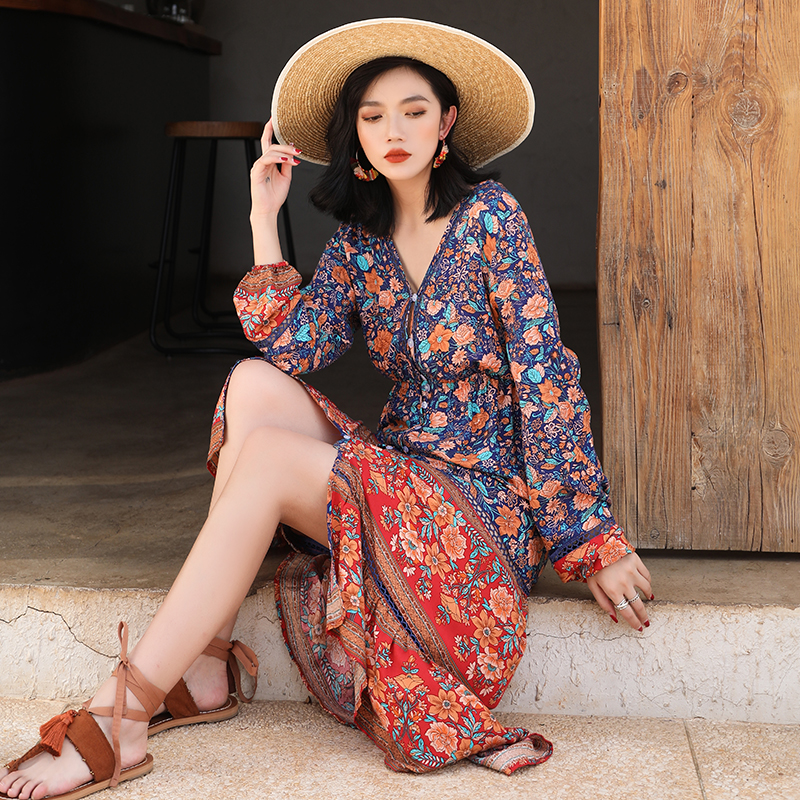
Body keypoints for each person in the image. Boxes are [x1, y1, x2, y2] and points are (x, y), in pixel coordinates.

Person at [0, 18, 653, 799]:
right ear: (356, 136)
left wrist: (590, 539)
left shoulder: (491, 220)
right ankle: (205, 663)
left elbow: (547, 379)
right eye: (373, 117)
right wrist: (262, 217)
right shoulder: (360, 241)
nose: (394, 131)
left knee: (271, 457)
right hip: (406, 474)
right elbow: (292, 348)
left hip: (480, 507)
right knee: (251, 384)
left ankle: (123, 714)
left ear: (446, 122)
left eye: (413, 110)